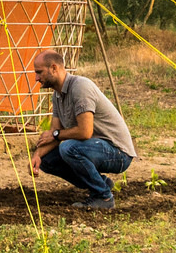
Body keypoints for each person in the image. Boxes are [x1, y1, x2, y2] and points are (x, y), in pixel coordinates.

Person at [27, 50, 134, 210]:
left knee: (68, 147)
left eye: (39, 72)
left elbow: (85, 132)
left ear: (54, 68)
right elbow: (54, 133)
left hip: (118, 153)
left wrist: (56, 135)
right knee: (47, 159)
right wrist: (36, 156)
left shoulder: (80, 87)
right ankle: (101, 183)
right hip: (94, 147)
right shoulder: (57, 96)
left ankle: (103, 197)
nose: (36, 78)